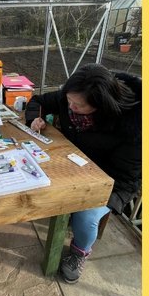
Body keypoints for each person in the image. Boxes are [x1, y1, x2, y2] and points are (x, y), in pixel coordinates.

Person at [25, 65, 141, 282]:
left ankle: (79, 252)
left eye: (78, 106)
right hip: (74, 161)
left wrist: (82, 185)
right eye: (69, 101)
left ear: (101, 105)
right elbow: (38, 101)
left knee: (86, 215)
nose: (70, 107)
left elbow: (123, 176)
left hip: (112, 179)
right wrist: (34, 118)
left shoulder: (133, 124)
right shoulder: (74, 95)